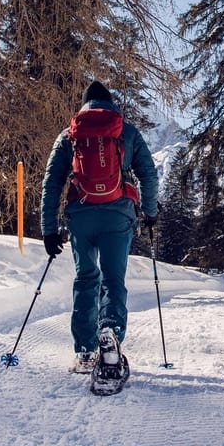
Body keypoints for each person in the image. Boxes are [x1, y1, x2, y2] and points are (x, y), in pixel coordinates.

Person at [41, 81, 160, 374]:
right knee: (113, 279)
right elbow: (148, 174)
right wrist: (150, 212)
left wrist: (48, 229)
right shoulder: (126, 131)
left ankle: (84, 352)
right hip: (118, 215)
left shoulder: (70, 135)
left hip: (81, 215)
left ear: (84, 105)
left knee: (85, 278)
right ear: (110, 104)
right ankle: (110, 335)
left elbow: (52, 182)